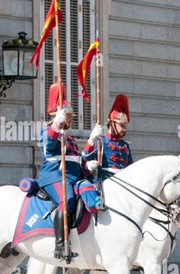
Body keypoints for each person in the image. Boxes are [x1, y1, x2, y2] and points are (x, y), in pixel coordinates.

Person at [37, 83, 82, 261]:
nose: (69, 119)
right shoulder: (46, 132)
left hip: (74, 178)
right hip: (55, 176)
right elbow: (48, 149)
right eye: (67, 116)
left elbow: (77, 160)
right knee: (67, 199)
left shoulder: (70, 138)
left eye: (70, 116)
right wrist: (55, 126)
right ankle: (60, 245)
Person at [82, 94, 133, 173]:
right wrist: (91, 140)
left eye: (125, 126)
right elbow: (85, 158)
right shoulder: (101, 141)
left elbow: (131, 167)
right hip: (106, 179)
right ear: (112, 124)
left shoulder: (125, 145)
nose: (124, 129)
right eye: (122, 126)